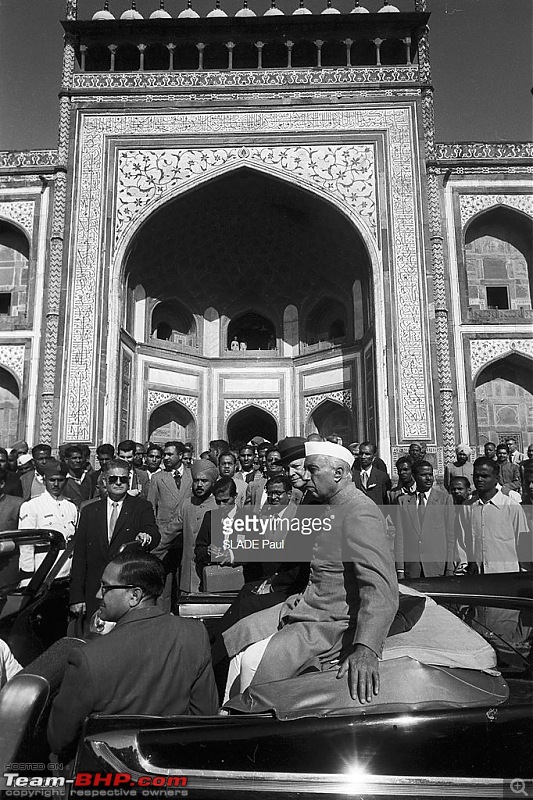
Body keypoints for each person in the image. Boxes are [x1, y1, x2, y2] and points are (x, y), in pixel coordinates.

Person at [223, 441, 398, 704]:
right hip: (308, 607)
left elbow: (380, 586)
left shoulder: (359, 511)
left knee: (252, 662)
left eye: (313, 470)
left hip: (331, 622)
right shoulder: (330, 504)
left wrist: (366, 648)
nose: (306, 476)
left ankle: (250, 723)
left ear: (337, 474)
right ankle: (226, 717)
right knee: (239, 639)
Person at [48, 551, 218, 758]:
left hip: (108, 777)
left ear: (134, 596)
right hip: (172, 768)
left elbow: (59, 740)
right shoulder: (194, 634)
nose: (98, 595)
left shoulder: (87, 657)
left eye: (106, 587)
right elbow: (205, 716)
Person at [69, 459, 160, 626]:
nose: (118, 483)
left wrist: (147, 536)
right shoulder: (89, 511)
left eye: (123, 479)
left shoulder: (141, 507)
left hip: (126, 592)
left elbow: (154, 533)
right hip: (95, 591)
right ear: (105, 480)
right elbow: (80, 555)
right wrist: (77, 597)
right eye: (113, 479)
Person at [458, 457, 529, 574]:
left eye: (485, 476)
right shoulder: (467, 507)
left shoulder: (512, 506)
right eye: (476, 476)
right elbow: (461, 543)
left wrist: (524, 575)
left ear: (496, 478)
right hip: (477, 577)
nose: (479, 479)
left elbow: (523, 545)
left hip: (507, 576)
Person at [18, 459, 78, 581]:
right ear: (44, 481)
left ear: (65, 481)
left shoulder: (71, 507)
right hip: (42, 571)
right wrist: (28, 576)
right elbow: (26, 544)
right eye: (52, 480)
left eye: (60, 480)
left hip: (67, 572)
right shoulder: (32, 506)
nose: (56, 484)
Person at [394, 460, 454, 579]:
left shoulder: (444, 499)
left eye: (430, 474)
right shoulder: (404, 501)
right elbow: (400, 537)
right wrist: (400, 569)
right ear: (414, 476)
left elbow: (450, 536)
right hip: (412, 568)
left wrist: (450, 568)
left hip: (437, 568)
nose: (428, 478)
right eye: (423, 475)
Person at [171, 459, 218, 594]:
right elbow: (170, 532)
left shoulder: (219, 505)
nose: (199, 485)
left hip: (213, 575)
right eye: (196, 480)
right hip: (188, 576)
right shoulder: (186, 504)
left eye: (204, 481)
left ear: (213, 483)